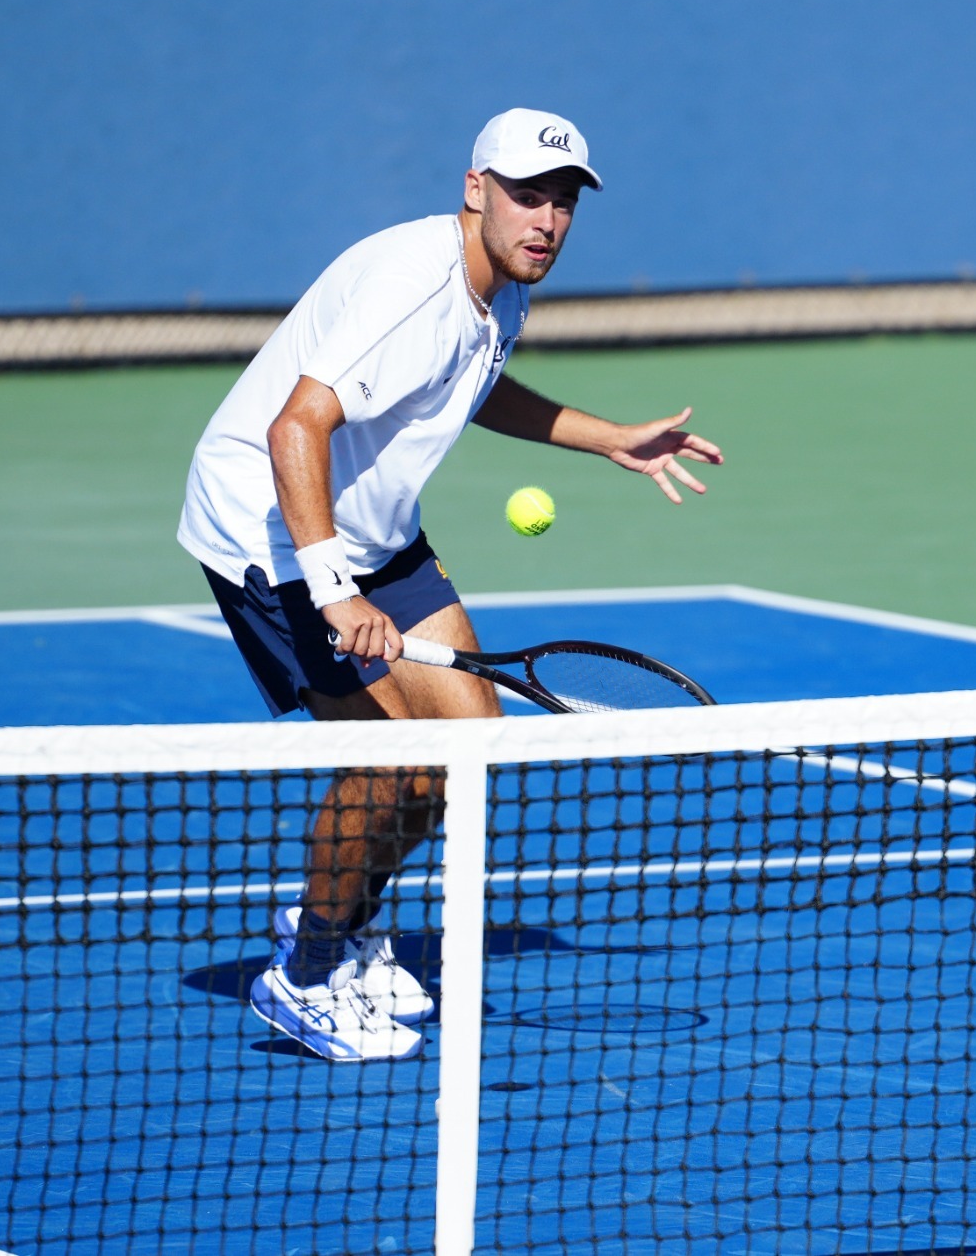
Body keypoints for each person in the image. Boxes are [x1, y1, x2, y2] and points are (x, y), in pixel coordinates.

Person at [177, 108, 723, 1061]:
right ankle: (301, 975)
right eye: (526, 196)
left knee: (465, 748)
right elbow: (293, 430)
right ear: (476, 190)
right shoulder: (412, 285)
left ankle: (344, 925)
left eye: (562, 202)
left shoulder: (505, 288)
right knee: (388, 765)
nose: (545, 220)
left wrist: (611, 439)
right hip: (271, 529)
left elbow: (475, 385)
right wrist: (335, 591)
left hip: (376, 529)